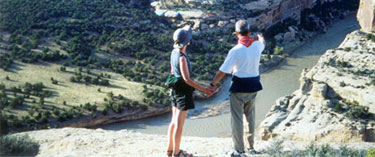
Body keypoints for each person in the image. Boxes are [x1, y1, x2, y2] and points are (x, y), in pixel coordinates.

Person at [209, 20, 266, 156]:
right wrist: (261, 36)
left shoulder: (235, 51)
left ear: (236, 34)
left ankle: (239, 150)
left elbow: (222, 71)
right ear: (249, 32)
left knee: (237, 119)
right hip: (253, 86)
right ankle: (251, 147)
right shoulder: (257, 46)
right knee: (250, 117)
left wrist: (212, 84)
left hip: (239, 87)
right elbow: (263, 42)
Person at [166, 26, 214, 157]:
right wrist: (205, 90)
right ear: (188, 42)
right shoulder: (182, 57)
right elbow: (187, 79)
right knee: (179, 125)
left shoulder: (173, 52)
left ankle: (170, 150)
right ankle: (177, 154)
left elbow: (172, 71)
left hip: (175, 89)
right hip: (183, 92)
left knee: (173, 121)